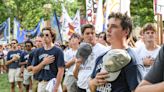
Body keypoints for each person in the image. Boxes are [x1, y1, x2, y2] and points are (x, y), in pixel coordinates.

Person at [89, 12, 142, 92]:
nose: (108, 30)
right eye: (108, 26)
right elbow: (91, 86)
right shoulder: (101, 57)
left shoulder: (132, 60)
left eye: (113, 26)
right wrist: (94, 82)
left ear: (126, 31)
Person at [73, 24, 108, 92]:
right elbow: (75, 74)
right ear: (82, 35)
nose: (90, 35)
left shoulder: (103, 50)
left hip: (95, 88)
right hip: (81, 87)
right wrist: (77, 65)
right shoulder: (80, 50)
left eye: (92, 33)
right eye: (87, 33)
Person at [32, 27, 65, 92]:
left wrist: (56, 87)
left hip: (53, 83)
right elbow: (34, 70)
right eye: (43, 35)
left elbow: (61, 71)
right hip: (42, 83)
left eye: (47, 35)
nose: (44, 37)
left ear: (52, 37)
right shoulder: (38, 51)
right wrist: (43, 63)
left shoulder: (58, 51)